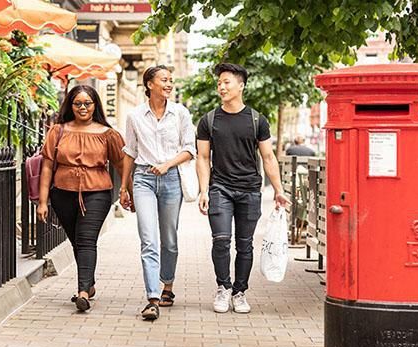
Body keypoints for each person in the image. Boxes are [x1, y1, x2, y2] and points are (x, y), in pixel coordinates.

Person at [196, 63, 291, 314]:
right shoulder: (209, 120)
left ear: (241, 86)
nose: (221, 87)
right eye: (219, 83)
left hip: (249, 189)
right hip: (220, 188)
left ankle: (239, 292)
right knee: (221, 240)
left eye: (226, 82)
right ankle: (223, 288)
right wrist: (204, 190)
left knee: (245, 244)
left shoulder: (257, 120)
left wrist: (278, 190)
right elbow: (203, 158)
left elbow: (268, 157)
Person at [37, 85, 125, 312]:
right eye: (78, 104)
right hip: (62, 193)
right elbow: (47, 166)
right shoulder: (58, 131)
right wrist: (43, 201)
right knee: (77, 240)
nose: (83, 108)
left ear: (95, 105)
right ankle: (90, 284)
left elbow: (121, 164)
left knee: (86, 240)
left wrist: (127, 190)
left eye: (88, 103)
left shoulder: (108, 134)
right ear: (71, 105)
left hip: (97, 192)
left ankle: (83, 292)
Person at [120, 65, 196, 321]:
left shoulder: (180, 114)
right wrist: (124, 187)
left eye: (171, 80)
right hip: (143, 178)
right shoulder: (134, 115)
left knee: (169, 239)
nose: (169, 84)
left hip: (171, 178)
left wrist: (167, 165)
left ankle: (168, 285)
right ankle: (152, 297)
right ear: (149, 84)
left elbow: (189, 150)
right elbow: (130, 151)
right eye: (164, 80)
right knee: (148, 239)